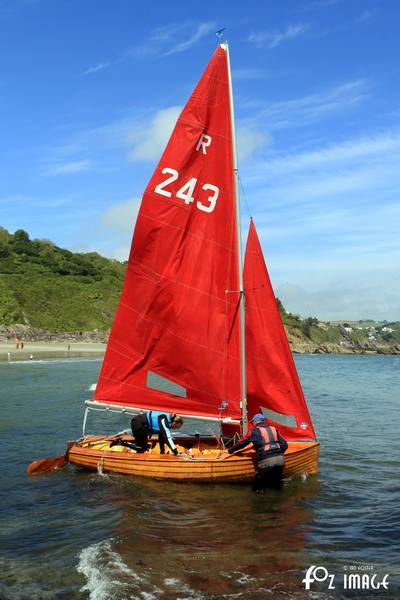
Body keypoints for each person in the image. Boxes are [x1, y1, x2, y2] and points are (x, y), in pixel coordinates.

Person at [228, 413, 288, 492]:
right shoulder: (274, 429)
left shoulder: (254, 432)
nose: (252, 423)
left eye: (252, 422)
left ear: (256, 422)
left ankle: (259, 501)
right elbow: (284, 445)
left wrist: (230, 450)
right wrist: (277, 453)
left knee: (257, 488)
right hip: (280, 459)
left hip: (267, 461)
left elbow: (242, 444)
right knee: (276, 486)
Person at [110, 411, 184, 455]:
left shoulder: (167, 420)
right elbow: (167, 438)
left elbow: (162, 437)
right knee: (142, 449)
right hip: (138, 424)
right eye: (178, 427)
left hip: (141, 425)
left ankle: (132, 445)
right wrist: (176, 452)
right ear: (175, 423)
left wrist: (162, 452)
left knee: (142, 446)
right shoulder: (164, 420)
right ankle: (121, 442)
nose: (177, 429)